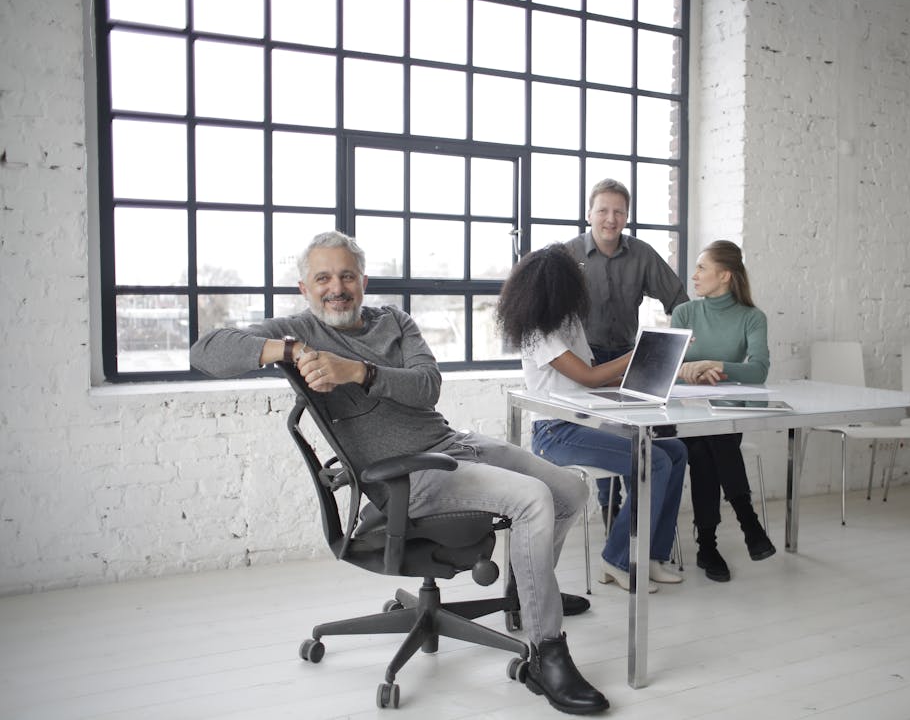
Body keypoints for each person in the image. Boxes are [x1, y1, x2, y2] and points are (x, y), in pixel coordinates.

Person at [190, 231, 608, 715]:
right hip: (406, 477)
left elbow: (427, 387)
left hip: (452, 444)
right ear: (304, 288)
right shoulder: (298, 330)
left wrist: (357, 371)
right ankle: (546, 653)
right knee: (533, 499)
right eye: (322, 278)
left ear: (363, 281)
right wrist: (287, 352)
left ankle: (528, 592)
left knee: (568, 491)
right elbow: (206, 351)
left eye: (347, 276)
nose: (336, 288)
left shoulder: (394, 320)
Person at [496, 244, 688, 592]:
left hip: (586, 421)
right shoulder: (540, 333)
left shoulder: (568, 323)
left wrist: (648, 377)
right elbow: (587, 376)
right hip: (557, 432)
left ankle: (651, 556)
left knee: (674, 451)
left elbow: (594, 376)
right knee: (654, 462)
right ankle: (617, 559)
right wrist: (640, 352)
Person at [564, 178, 689, 526]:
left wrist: (673, 347)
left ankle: (637, 524)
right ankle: (611, 516)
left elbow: (678, 301)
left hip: (629, 361)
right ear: (589, 213)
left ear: (627, 216)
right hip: (581, 365)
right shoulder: (568, 254)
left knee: (640, 441)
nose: (611, 218)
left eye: (619, 211)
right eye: (603, 210)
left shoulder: (642, 254)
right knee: (606, 440)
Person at [671, 240, 776, 583]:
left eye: (702, 267)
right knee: (709, 441)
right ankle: (748, 521)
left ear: (725, 275)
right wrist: (686, 369)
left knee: (709, 443)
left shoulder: (752, 317)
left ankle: (707, 546)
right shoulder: (685, 313)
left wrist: (715, 365)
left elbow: (759, 370)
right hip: (684, 414)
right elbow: (667, 364)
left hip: (724, 413)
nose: (695, 274)